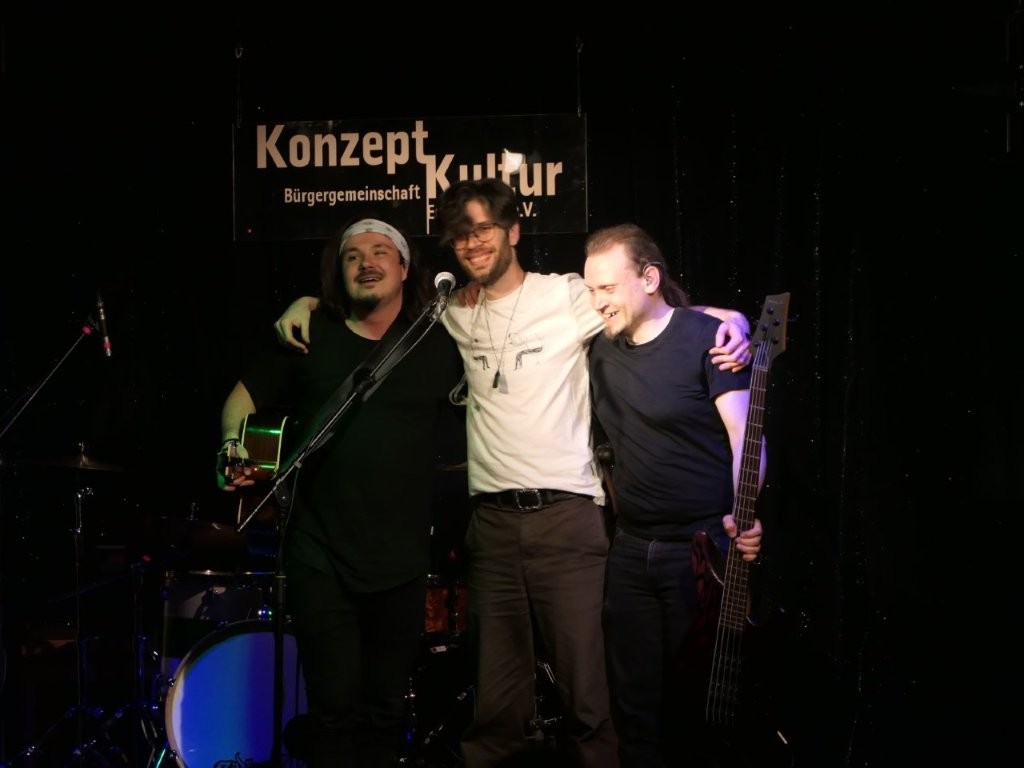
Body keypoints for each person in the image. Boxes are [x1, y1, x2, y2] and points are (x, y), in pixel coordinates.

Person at [273, 178, 754, 768]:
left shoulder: (567, 295)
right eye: (460, 235)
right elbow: (372, 313)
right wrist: (308, 303)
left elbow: (642, 305)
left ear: (514, 231)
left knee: (587, 699)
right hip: (493, 527)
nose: (472, 243)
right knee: (495, 711)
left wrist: (726, 318)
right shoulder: (449, 312)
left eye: (484, 229)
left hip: (568, 520)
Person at [216, 214, 463, 767]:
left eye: (380, 253)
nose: (367, 263)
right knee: (331, 711)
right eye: (354, 256)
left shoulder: (437, 342)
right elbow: (241, 399)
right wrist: (233, 445)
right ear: (339, 272)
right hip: (319, 553)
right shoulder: (309, 333)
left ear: (404, 268)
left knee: (386, 712)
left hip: (401, 560)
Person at [583, 223, 766, 768]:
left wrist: (745, 514)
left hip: (699, 547)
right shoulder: (599, 349)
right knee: (635, 706)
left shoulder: (709, 340)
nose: (597, 302)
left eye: (607, 288)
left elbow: (747, 437)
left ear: (649, 279)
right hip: (630, 549)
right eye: (590, 290)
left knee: (696, 703)